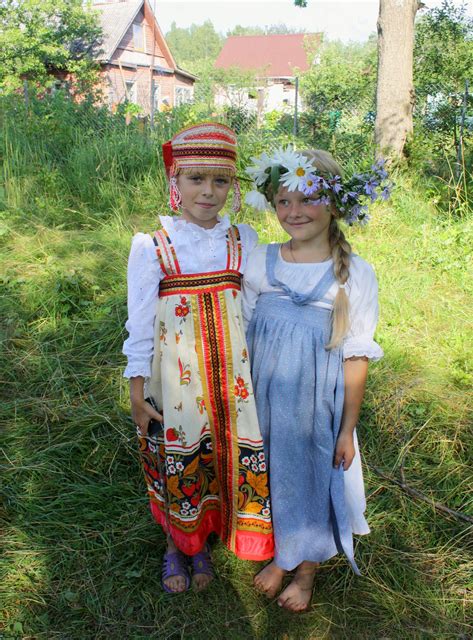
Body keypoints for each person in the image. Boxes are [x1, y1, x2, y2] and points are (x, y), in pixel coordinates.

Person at [123, 123, 274, 594]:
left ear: (232, 186)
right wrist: (136, 391)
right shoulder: (153, 246)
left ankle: (213, 532)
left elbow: (251, 312)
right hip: (177, 380)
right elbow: (141, 322)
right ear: (175, 181)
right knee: (178, 453)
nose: (208, 192)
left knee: (222, 452)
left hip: (231, 380)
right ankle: (178, 542)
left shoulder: (242, 240)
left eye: (221, 180)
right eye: (196, 179)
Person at [242, 147, 390, 612]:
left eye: (307, 199)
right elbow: (243, 332)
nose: (294, 212)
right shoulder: (259, 261)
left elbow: (355, 357)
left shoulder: (353, 274)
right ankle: (280, 553)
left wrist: (346, 429)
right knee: (270, 474)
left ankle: (304, 572)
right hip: (263, 395)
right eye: (283, 201)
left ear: (334, 205)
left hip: (314, 404)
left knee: (309, 475)